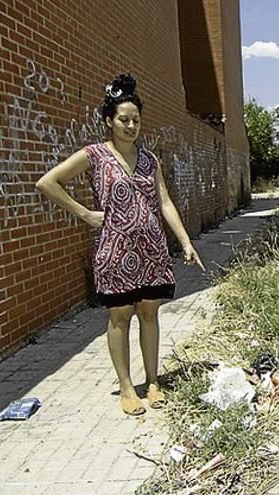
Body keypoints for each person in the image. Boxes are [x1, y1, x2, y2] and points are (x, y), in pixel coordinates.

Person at [36, 74, 204, 416]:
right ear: (109, 121)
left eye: (136, 121)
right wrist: (84, 213)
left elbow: (165, 202)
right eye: (124, 120)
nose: (131, 126)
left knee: (150, 313)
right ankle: (127, 387)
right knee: (120, 317)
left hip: (152, 251)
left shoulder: (149, 160)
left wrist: (185, 241)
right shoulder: (94, 155)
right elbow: (48, 182)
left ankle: (153, 381)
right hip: (115, 252)